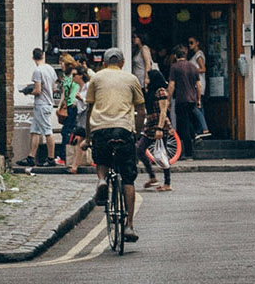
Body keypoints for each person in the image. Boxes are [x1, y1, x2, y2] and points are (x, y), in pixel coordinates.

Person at [84, 48, 145, 242]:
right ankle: (129, 226)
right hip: (123, 130)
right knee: (128, 179)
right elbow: (141, 109)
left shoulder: (96, 78)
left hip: (100, 129)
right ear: (123, 62)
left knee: (102, 159)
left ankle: (102, 180)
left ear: (103, 62)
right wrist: (135, 132)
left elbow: (89, 108)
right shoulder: (131, 79)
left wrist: (88, 137)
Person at [136, 60, 174, 191]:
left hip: (159, 124)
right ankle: (152, 176)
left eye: (148, 78)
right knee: (140, 149)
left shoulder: (161, 91)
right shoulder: (150, 91)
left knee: (163, 153)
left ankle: (167, 183)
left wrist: (159, 128)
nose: (146, 80)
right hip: (150, 124)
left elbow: (164, 111)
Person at [23, 47, 58, 167]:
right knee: (35, 130)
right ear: (43, 55)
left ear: (33, 58)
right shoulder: (50, 69)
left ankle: (51, 158)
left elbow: (37, 91)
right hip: (48, 103)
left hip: (41, 104)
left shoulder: (37, 71)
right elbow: (53, 88)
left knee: (47, 131)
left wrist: (27, 91)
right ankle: (31, 157)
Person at [169, 43, 204, 160]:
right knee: (188, 121)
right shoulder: (193, 67)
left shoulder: (175, 67)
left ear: (175, 55)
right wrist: (198, 99)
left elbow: (172, 85)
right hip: (192, 98)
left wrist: (168, 100)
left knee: (183, 126)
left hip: (181, 98)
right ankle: (195, 135)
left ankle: (188, 153)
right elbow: (198, 85)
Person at [56, 57, 81, 166]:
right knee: (66, 131)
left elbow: (78, 88)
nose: (60, 65)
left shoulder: (74, 75)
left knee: (67, 131)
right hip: (68, 105)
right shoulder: (66, 77)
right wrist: (59, 105)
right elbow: (64, 93)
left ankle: (64, 156)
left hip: (73, 105)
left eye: (61, 62)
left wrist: (75, 101)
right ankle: (65, 155)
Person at [186, 36, 211, 139]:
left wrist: (191, 70)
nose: (190, 45)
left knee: (195, 106)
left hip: (198, 84)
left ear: (197, 43)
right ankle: (201, 129)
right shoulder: (195, 55)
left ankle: (204, 128)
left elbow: (203, 69)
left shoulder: (198, 55)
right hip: (196, 84)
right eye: (189, 43)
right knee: (199, 106)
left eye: (192, 42)